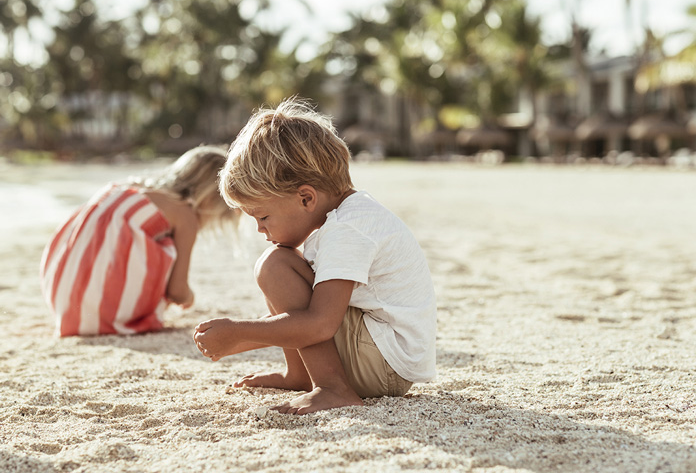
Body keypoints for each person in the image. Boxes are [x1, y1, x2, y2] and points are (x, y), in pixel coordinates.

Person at [193, 98, 436, 415]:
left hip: (385, 364)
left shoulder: (346, 230)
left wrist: (239, 333)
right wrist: (239, 339)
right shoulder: (349, 216)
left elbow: (319, 325)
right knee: (283, 264)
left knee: (276, 266)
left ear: (306, 198)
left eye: (263, 217)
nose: (260, 229)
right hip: (382, 354)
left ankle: (333, 388)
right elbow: (315, 314)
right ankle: (300, 375)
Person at [40, 145, 239, 337]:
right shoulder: (184, 214)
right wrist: (189, 297)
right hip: (103, 314)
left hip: (62, 301)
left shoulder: (126, 187)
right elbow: (177, 291)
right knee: (167, 248)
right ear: (212, 201)